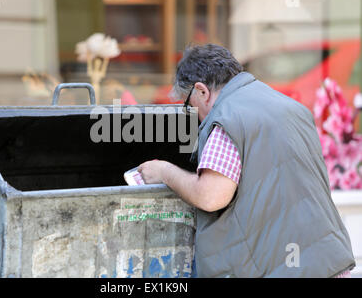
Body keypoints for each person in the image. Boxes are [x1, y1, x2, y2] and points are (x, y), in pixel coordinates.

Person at [138, 44, 355, 278]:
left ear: (201, 91)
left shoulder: (226, 118)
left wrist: (164, 171)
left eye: (188, 106)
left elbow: (210, 196)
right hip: (328, 263)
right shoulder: (292, 108)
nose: (194, 115)